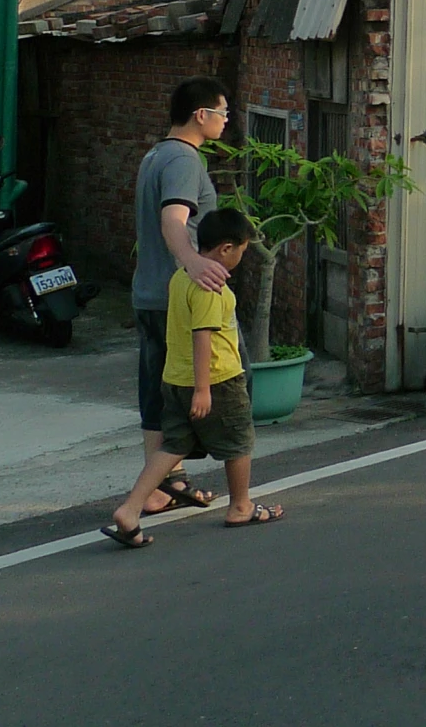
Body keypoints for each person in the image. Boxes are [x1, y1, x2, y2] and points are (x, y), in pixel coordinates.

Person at [102, 208, 284, 545]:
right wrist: (204, 390)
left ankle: (130, 509)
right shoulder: (210, 285)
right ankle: (241, 505)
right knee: (238, 440)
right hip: (217, 379)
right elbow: (204, 336)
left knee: (174, 444)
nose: (243, 257)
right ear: (226, 249)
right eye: (242, 250)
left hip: (175, 379)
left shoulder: (183, 276)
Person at [131, 77, 233, 518]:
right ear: (201, 115)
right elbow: (174, 218)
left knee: (158, 392)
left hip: (148, 292)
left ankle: (165, 483)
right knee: (210, 389)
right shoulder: (184, 160)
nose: (226, 121)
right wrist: (192, 261)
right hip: (180, 298)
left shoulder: (156, 154)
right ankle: (152, 490)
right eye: (223, 112)